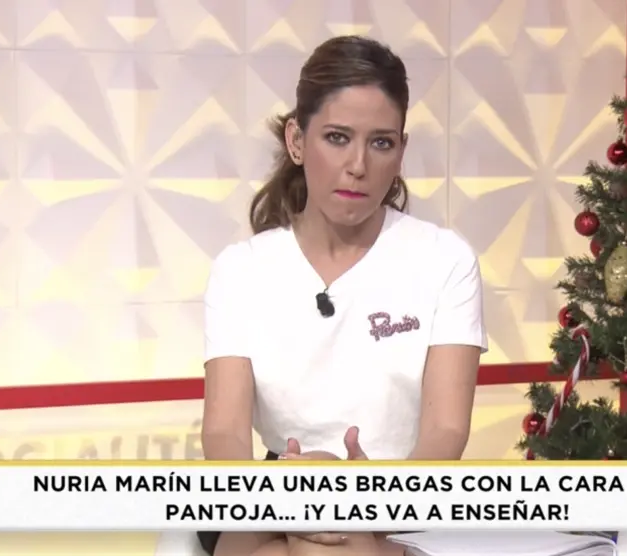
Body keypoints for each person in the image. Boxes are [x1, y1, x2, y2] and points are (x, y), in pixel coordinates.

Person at [199, 35, 487, 556]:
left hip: (405, 494)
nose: (358, 164)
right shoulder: (241, 270)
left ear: (401, 150)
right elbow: (224, 434)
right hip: (271, 488)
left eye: (381, 143)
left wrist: (366, 497)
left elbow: (445, 431)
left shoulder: (445, 259)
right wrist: (280, 498)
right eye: (337, 137)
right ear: (296, 140)